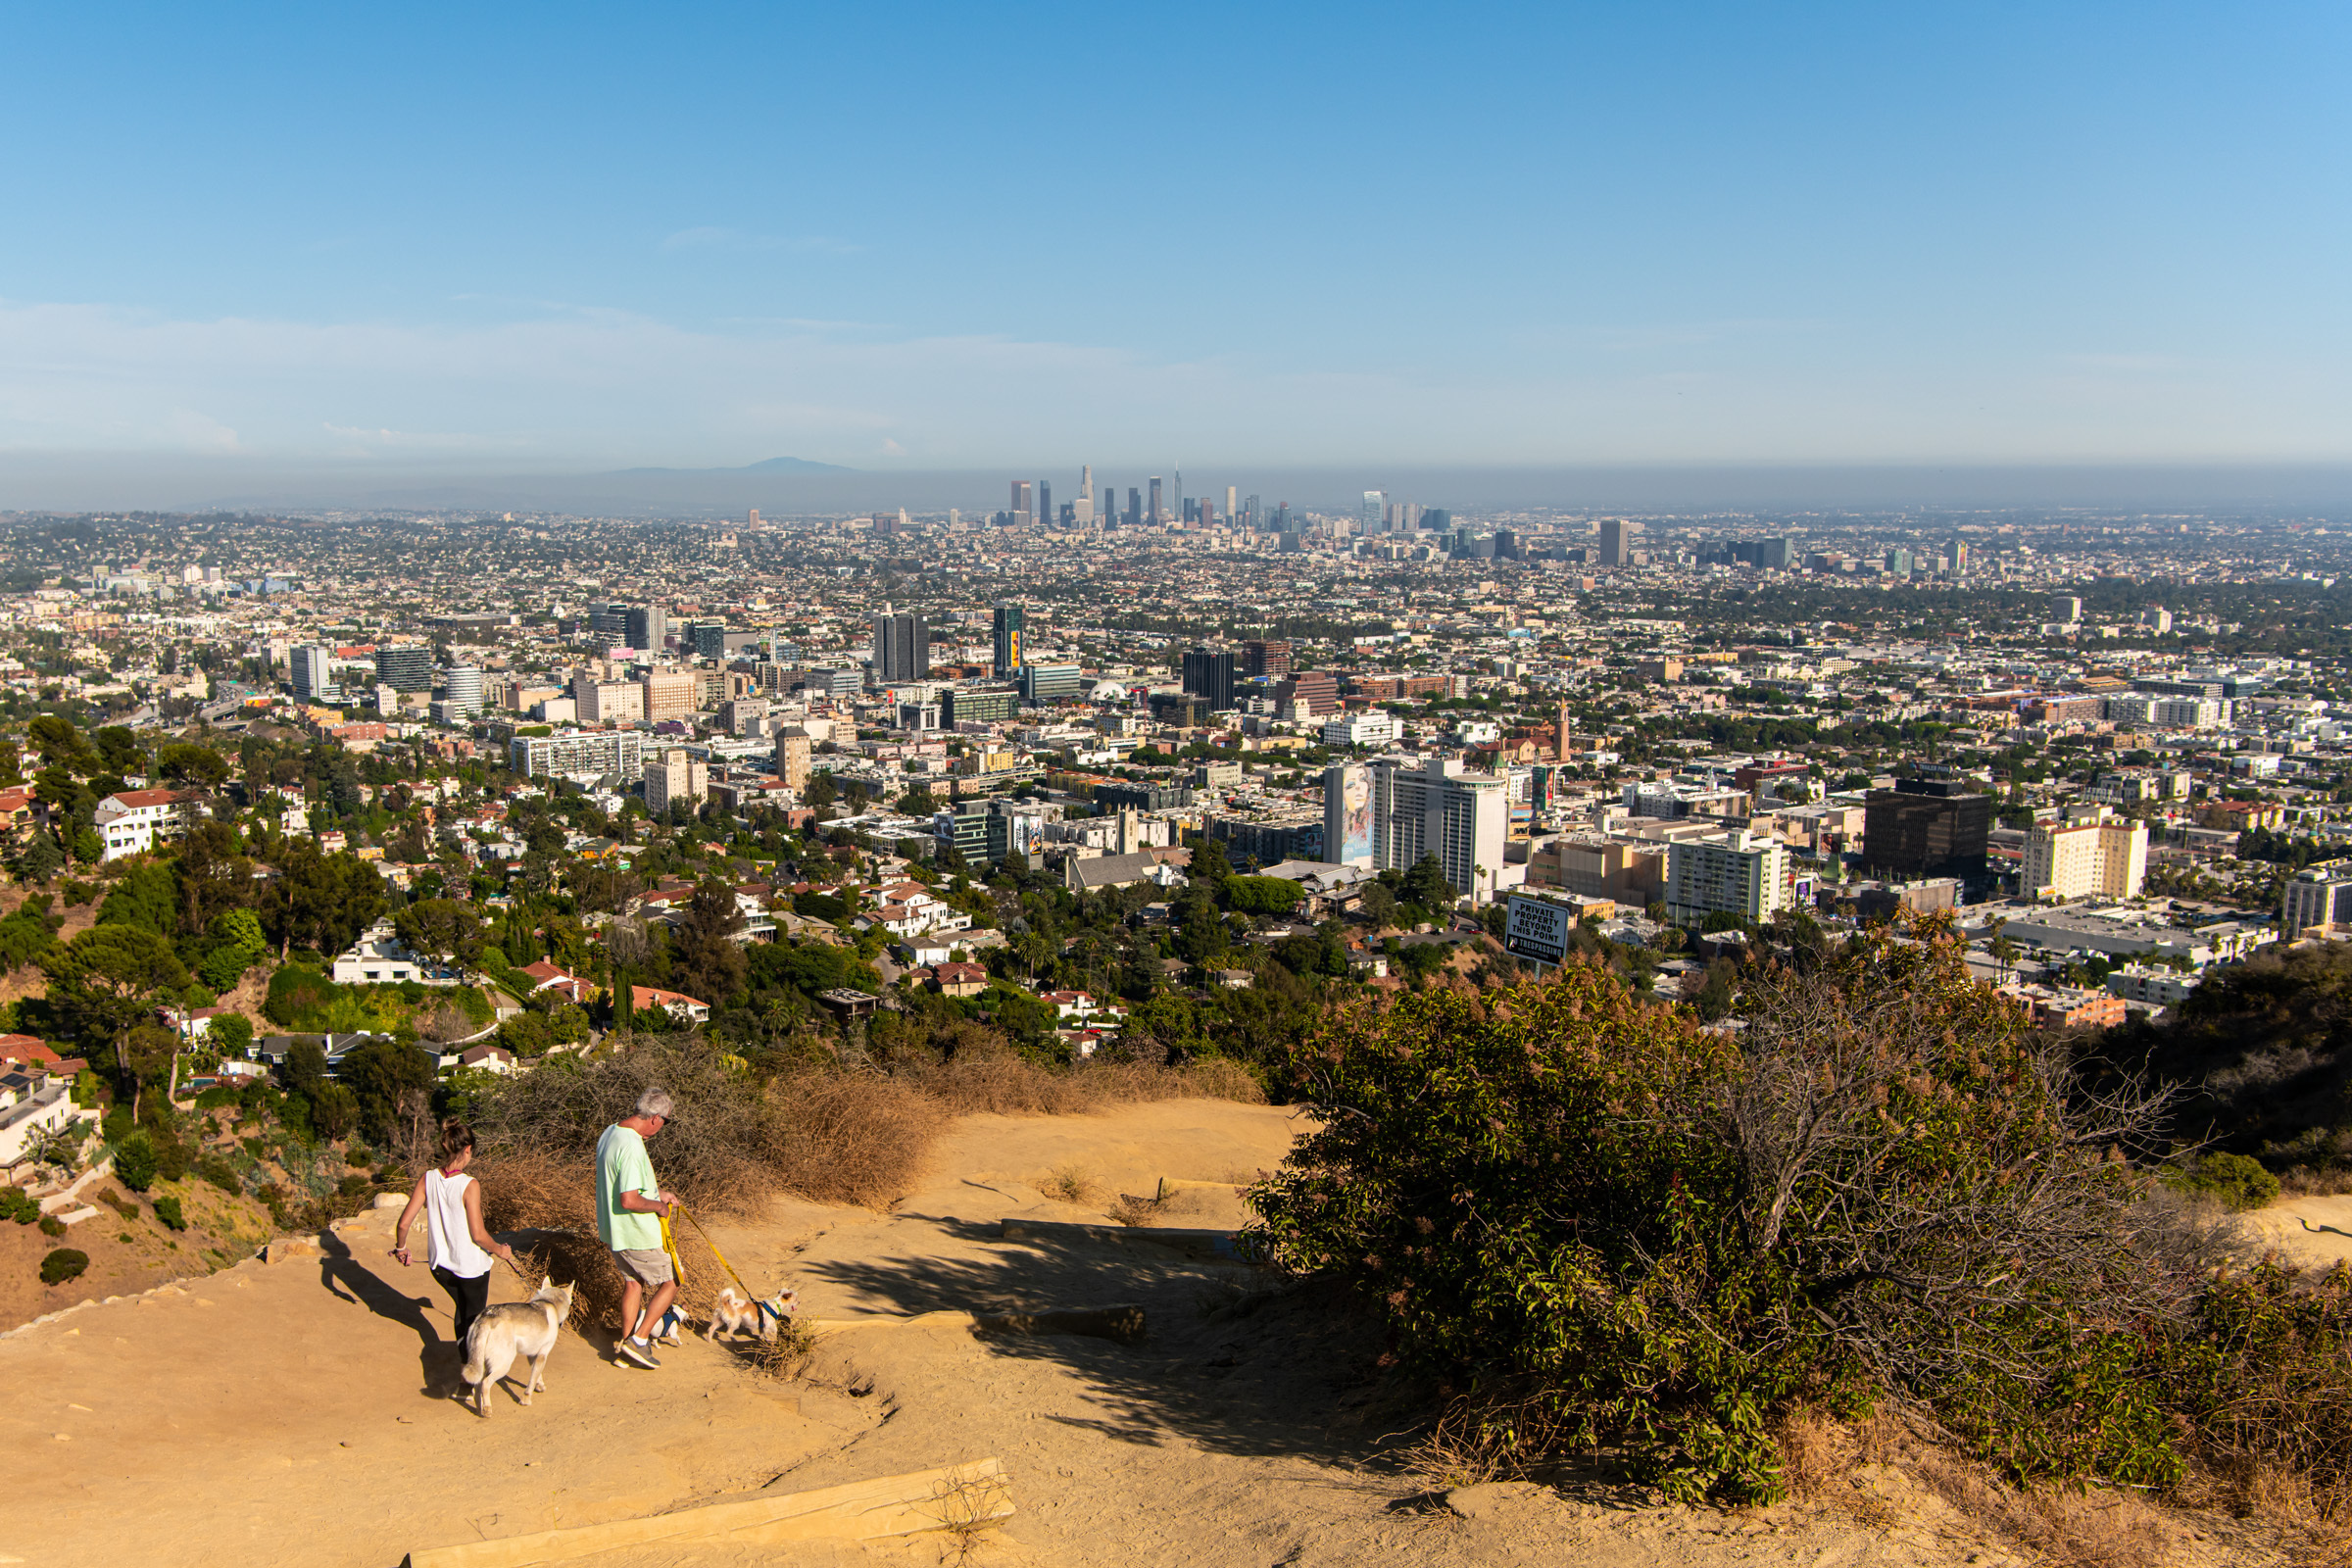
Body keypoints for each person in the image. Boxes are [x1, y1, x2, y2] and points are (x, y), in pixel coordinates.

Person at [390, 1120, 517, 1353]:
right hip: (470, 1269)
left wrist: (401, 1249)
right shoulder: (470, 1184)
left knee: (462, 1309)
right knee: (475, 1321)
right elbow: (478, 1235)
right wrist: (501, 1250)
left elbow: (403, 1224)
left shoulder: (427, 1179)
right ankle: (470, 1374)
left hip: (440, 1267)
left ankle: (463, 1368)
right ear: (467, 1149)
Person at [597, 1086, 679, 1369]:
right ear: (656, 1118)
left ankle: (626, 1345)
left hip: (614, 1231)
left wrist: (658, 1194)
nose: (661, 1128)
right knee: (672, 1281)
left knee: (633, 1283)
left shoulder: (611, 1132)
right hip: (635, 1232)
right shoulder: (632, 1145)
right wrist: (658, 1206)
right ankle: (639, 1340)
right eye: (665, 1122)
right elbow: (629, 1199)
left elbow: (627, 1184)